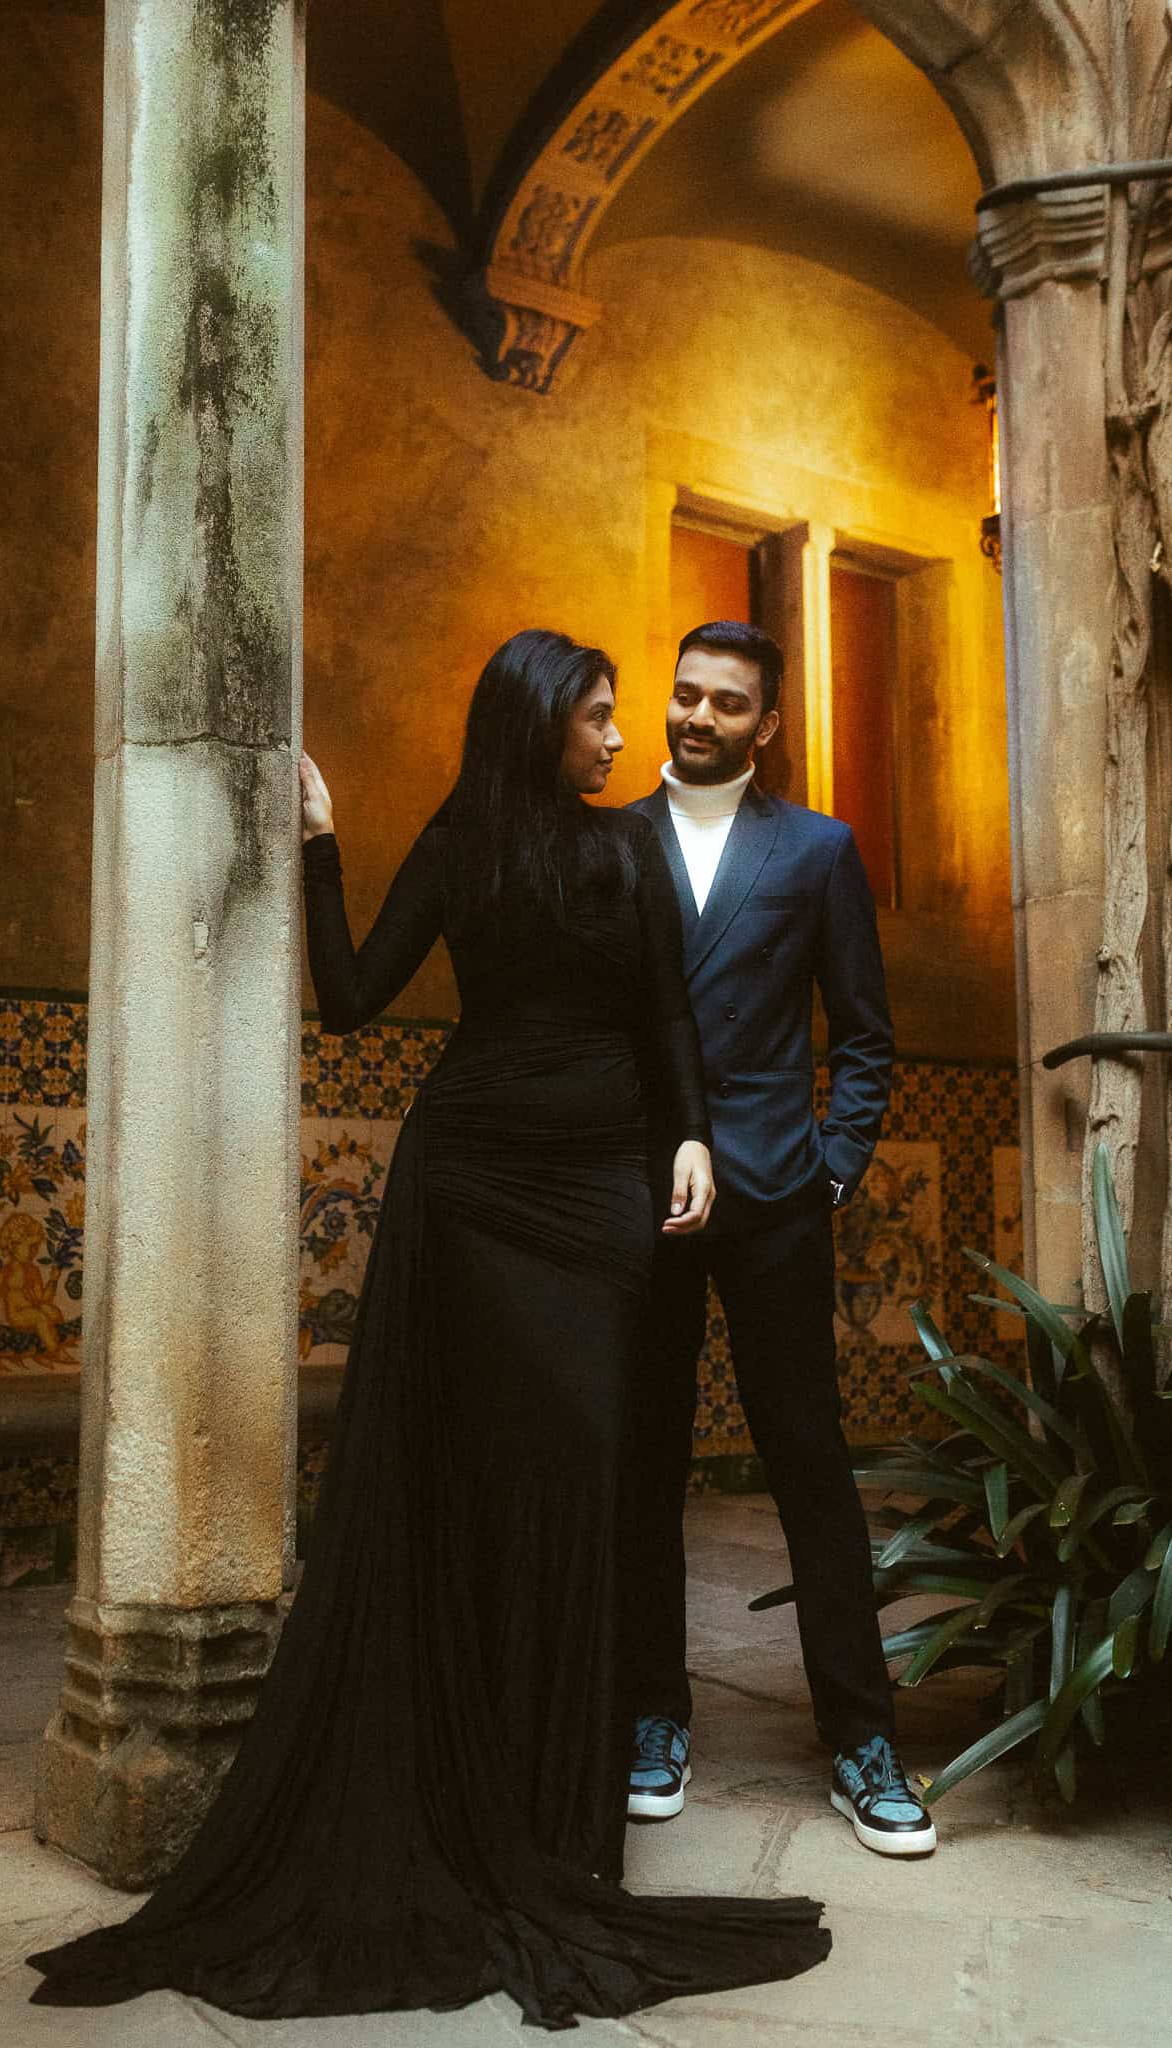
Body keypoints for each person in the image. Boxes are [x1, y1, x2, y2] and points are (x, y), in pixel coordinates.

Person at [28, 629, 831, 2027]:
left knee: (578, 1479)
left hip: (598, 1203)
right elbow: (350, 998)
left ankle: (561, 1812)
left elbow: (664, 1019)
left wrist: (690, 1137)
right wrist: (325, 845)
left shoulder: (626, 850)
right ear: (539, 725)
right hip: (465, 1190)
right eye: (596, 715)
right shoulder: (466, 837)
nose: (616, 733)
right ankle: (461, 1779)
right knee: (460, 1487)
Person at [624, 619, 936, 1858]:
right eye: (685, 694)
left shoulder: (816, 850)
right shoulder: (612, 839)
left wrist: (834, 1167)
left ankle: (862, 1738)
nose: (697, 716)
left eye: (726, 702)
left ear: (767, 723)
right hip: (641, 1201)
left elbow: (865, 1032)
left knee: (809, 1461)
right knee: (642, 1462)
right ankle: (653, 1711)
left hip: (773, 1199)